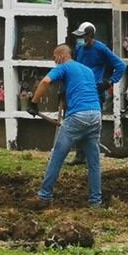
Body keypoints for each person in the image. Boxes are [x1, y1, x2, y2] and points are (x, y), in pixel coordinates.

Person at [27, 44, 102, 209]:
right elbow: (83, 89)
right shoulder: (87, 70)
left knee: (57, 156)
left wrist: (34, 103)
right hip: (95, 114)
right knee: (94, 162)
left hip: (77, 117)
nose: (54, 61)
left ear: (61, 56)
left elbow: (45, 81)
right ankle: (96, 202)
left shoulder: (64, 66)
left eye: (54, 57)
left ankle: (44, 196)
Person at [69, 21, 126, 165]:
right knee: (78, 121)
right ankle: (79, 155)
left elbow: (120, 66)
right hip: (80, 89)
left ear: (90, 35)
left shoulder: (101, 49)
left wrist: (109, 82)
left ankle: (91, 156)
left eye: (82, 36)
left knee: (93, 125)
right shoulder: (79, 48)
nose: (80, 39)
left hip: (95, 91)